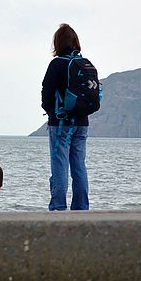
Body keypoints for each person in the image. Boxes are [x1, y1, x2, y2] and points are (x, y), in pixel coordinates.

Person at [41, 23, 91, 211]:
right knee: (79, 166)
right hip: (82, 122)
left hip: (61, 123)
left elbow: (46, 92)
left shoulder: (57, 64)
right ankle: (81, 207)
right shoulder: (84, 63)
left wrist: (50, 112)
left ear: (57, 43)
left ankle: (58, 207)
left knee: (60, 166)